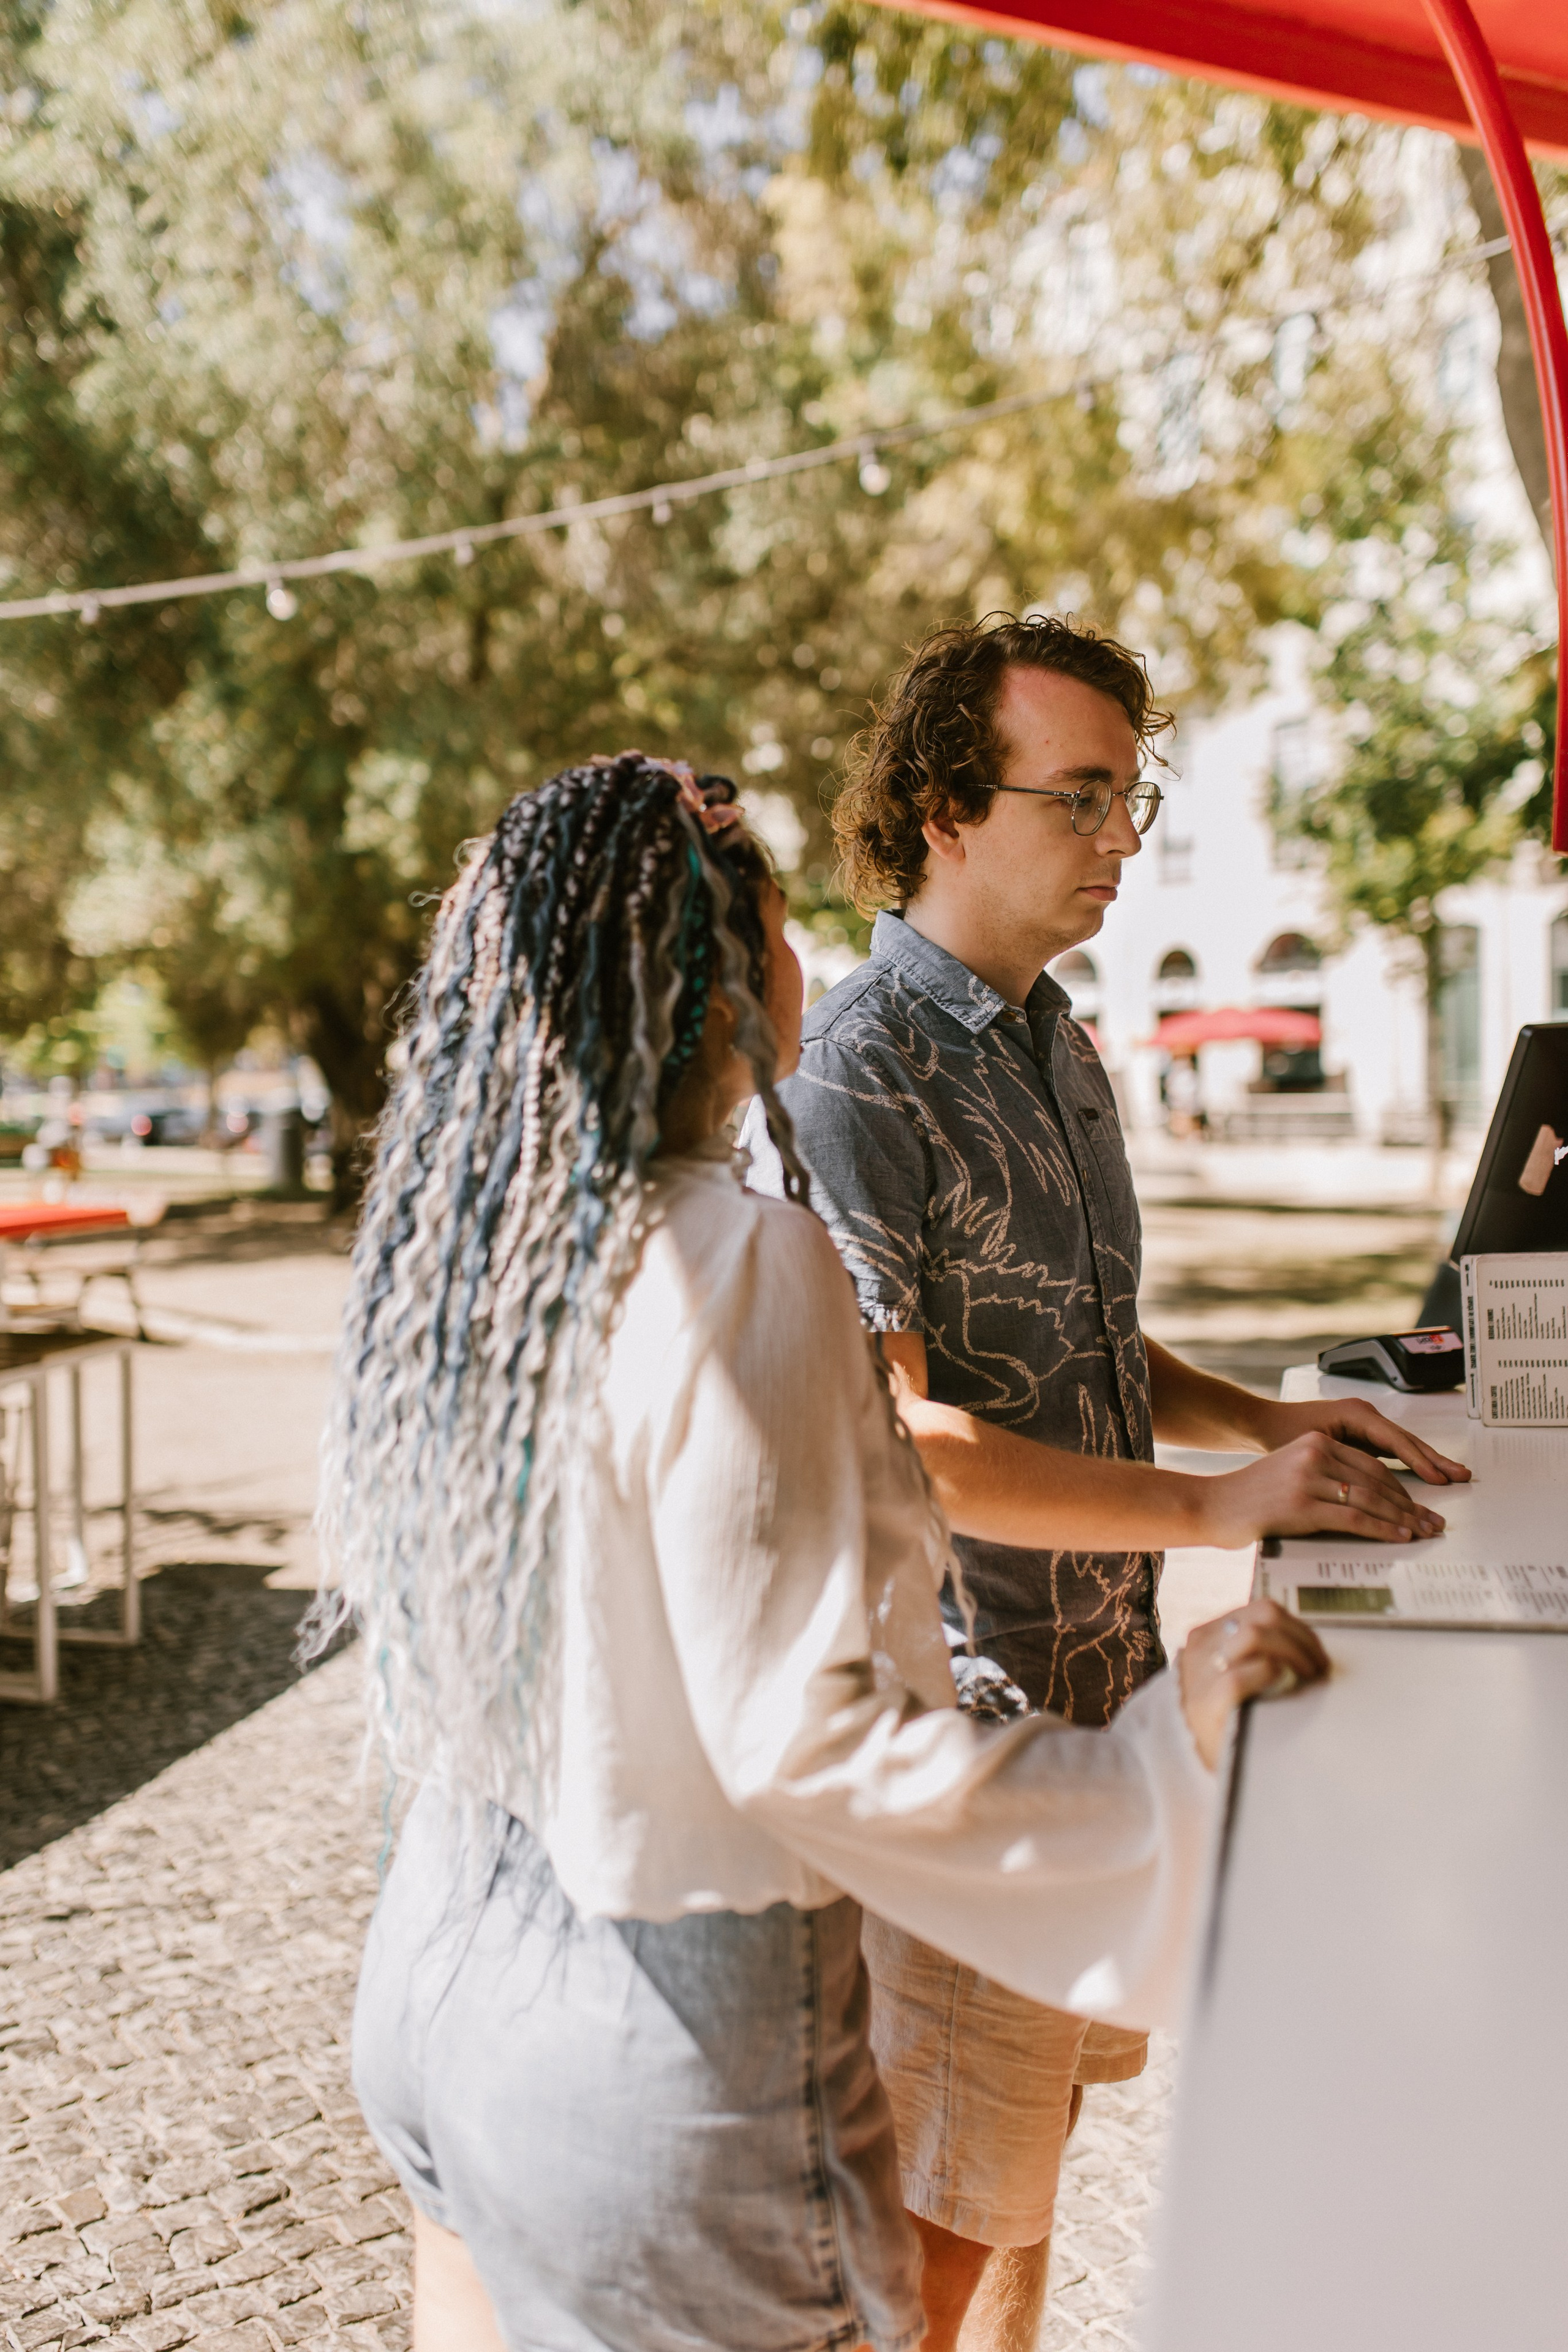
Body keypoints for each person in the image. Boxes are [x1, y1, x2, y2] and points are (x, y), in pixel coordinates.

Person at [312, 750, 1326, 2352]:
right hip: (662, 2046)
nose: (805, 968)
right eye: (778, 933)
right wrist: (1164, 1754)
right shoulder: (742, 1258)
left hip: (439, 1976)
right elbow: (808, 1750)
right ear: (715, 985)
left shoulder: (469, 1267)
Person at [744, 615, 1469, 2352]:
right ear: (940, 809)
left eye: (1130, 798)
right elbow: (909, 1435)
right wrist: (1226, 1515)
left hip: (1105, 1700)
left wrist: (1272, 1429)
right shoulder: (859, 1070)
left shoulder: (1056, 1040)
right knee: (933, 2237)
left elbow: (1090, 1355)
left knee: (1027, 2180)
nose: (1122, 839)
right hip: (969, 1730)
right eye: (1078, 798)